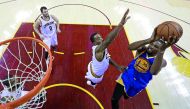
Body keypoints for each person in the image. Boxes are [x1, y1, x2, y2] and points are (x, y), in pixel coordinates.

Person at [111, 28, 179, 109]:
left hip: (139, 84)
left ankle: (126, 94)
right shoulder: (143, 50)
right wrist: (149, 40)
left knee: (127, 96)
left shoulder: (162, 61)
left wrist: (162, 51)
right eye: (152, 44)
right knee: (114, 99)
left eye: (156, 47)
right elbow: (130, 47)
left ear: (160, 50)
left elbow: (154, 71)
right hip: (127, 76)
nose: (151, 46)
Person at [85, 9, 130, 88]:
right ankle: (91, 82)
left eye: (100, 36)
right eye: (98, 38)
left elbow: (107, 58)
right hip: (95, 77)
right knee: (93, 81)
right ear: (94, 43)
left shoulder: (102, 49)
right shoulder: (98, 49)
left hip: (98, 72)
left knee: (95, 64)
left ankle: (91, 80)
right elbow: (108, 40)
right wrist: (120, 25)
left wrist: (118, 67)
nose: (101, 38)